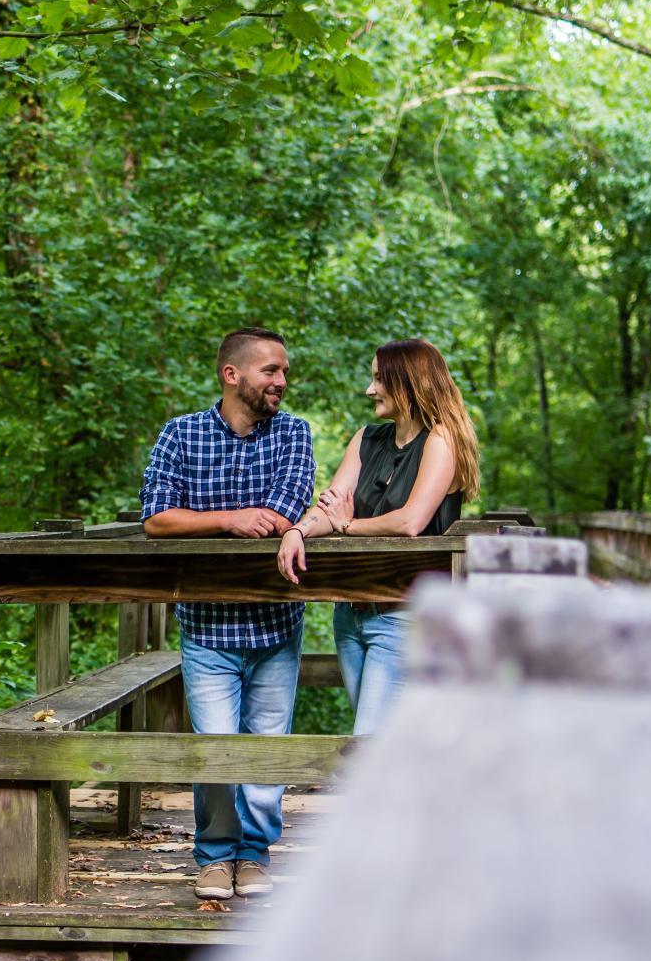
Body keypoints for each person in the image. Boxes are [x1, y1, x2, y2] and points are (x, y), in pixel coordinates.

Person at [142, 327, 315, 901]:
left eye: (284, 372)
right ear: (232, 374)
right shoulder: (181, 434)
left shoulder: (293, 432)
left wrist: (260, 516)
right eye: (271, 371)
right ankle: (215, 856)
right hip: (207, 625)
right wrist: (230, 518)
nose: (282, 382)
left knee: (267, 747)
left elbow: (289, 503)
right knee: (214, 744)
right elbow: (156, 519)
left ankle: (254, 854)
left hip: (276, 622)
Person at [275, 338, 480, 735]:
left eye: (378, 379)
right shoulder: (366, 439)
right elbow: (328, 507)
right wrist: (298, 530)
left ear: (408, 381)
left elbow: (410, 522)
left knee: (369, 743)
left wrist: (347, 525)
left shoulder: (441, 440)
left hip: (406, 613)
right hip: (351, 613)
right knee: (384, 742)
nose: (370, 390)